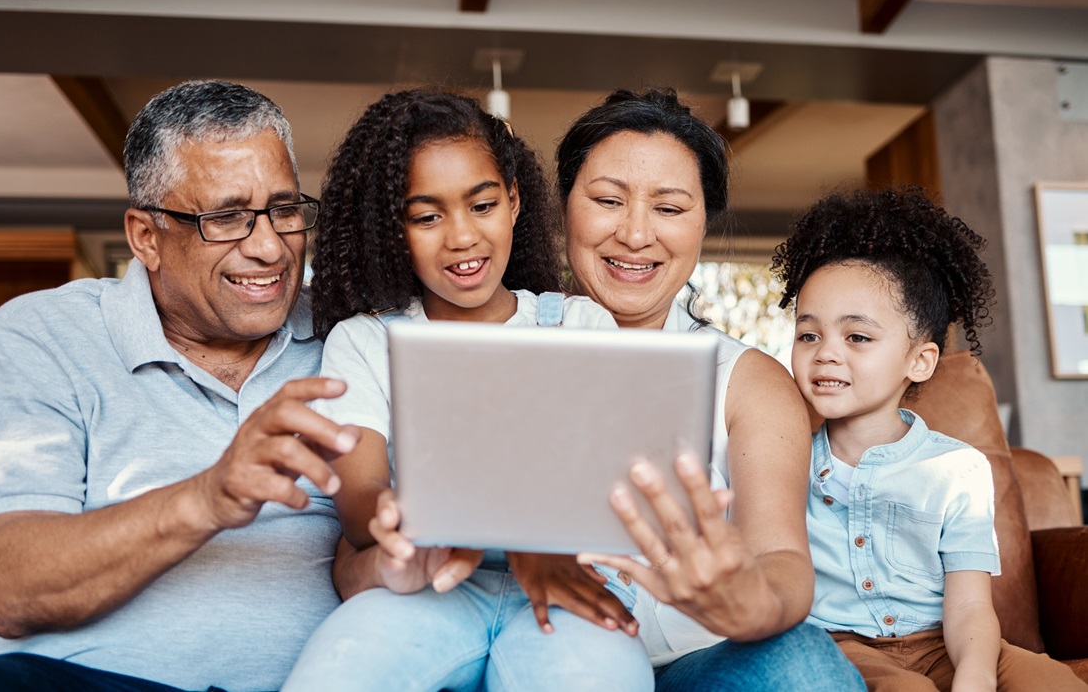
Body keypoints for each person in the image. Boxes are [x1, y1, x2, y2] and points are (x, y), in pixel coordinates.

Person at [0, 80, 362, 692]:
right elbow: (9, 588)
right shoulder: (40, 336)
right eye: (226, 218)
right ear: (146, 237)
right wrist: (208, 497)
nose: (270, 247)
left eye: (284, 210)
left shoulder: (353, 339)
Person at [281, 88, 653, 692]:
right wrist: (426, 524)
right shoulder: (367, 342)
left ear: (513, 200)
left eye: (482, 205)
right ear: (394, 228)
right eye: (427, 217)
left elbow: (606, 489)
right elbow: (360, 504)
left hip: (566, 586)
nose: (461, 237)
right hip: (430, 584)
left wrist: (471, 512)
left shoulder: (581, 326)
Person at [556, 89, 866, 690]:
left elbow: (780, 558)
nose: (635, 234)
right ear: (565, 206)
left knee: (800, 662)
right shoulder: (507, 342)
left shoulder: (747, 381)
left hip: (696, 667)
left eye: (669, 208)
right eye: (608, 200)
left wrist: (748, 602)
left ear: (703, 223)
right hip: (545, 651)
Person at [771, 187, 1087, 691]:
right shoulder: (782, 461)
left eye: (857, 337)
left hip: (944, 641)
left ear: (920, 361)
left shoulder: (958, 469)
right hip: (840, 646)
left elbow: (970, 605)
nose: (825, 353)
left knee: (1053, 683)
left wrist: (976, 677)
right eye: (809, 335)